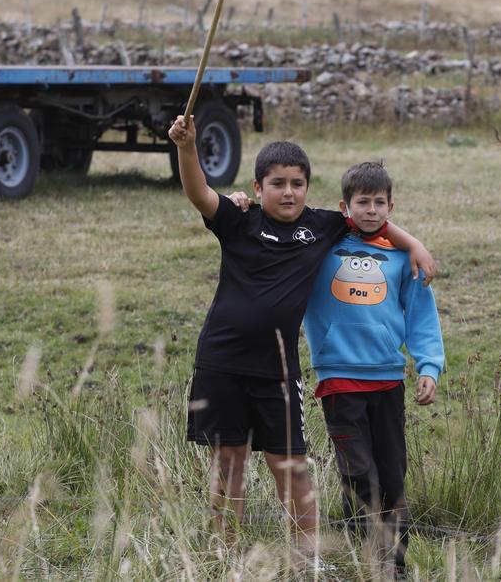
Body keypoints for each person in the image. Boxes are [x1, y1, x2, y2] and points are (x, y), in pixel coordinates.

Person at [167, 116, 435, 560]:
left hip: (278, 368)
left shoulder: (324, 226)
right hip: (221, 361)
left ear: (308, 188)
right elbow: (198, 192)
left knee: (290, 466)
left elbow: (371, 221)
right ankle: (224, 554)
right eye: (277, 183)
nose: (288, 192)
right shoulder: (239, 221)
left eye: (297, 183)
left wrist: (416, 245)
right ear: (257, 188)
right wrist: (187, 147)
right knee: (228, 464)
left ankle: (306, 559)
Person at [303, 160, 445, 578]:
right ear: (344, 207)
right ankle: (364, 547)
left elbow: (421, 317)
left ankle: (394, 564)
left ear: (390, 206)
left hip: (387, 381)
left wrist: (429, 367)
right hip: (339, 380)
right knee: (358, 472)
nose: (370, 210)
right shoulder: (321, 247)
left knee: (391, 473)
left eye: (378, 202)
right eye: (361, 202)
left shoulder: (402, 258)